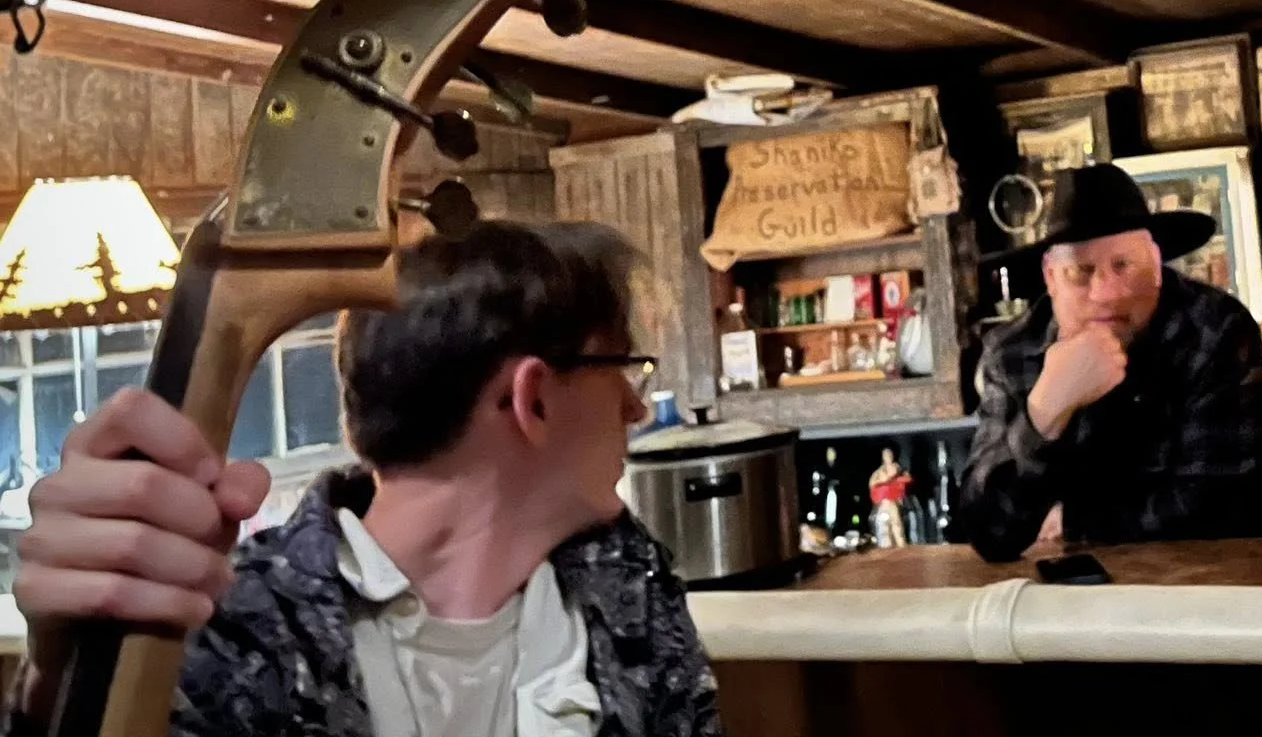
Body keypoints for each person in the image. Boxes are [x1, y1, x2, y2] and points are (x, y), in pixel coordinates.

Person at [7, 221, 724, 737]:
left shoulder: (630, 586)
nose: (635, 406)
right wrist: (58, 696)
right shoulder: (225, 625)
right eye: (621, 372)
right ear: (530, 398)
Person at [960, 164, 1262, 561]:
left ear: (1156, 263)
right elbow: (989, 532)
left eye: (1124, 265)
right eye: (1081, 271)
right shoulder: (1012, 353)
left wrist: (1074, 522)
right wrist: (1044, 412)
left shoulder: (1215, 330)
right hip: (1068, 610)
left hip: (1218, 601)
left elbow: (1227, 512)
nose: (1106, 293)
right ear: (1051, 277)